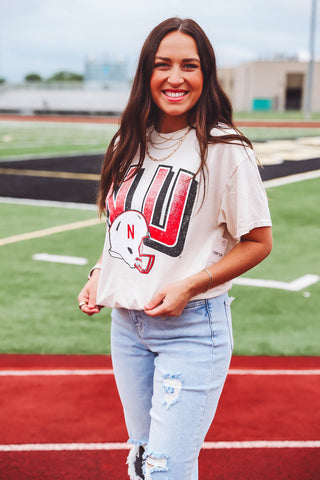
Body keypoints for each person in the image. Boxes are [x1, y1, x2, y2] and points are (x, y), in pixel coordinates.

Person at [78, 17, 272, 480]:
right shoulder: (127, 142)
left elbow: (259, 243)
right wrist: (97, 273)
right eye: (163, 64)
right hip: (127, 325)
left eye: (190, 65)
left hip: (192, 328)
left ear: (206, 75)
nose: (176, 77)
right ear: (147, 73)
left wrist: (191, 284)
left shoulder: (226, 148)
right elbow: (123, 226)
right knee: (144, 459)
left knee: (168, 469)